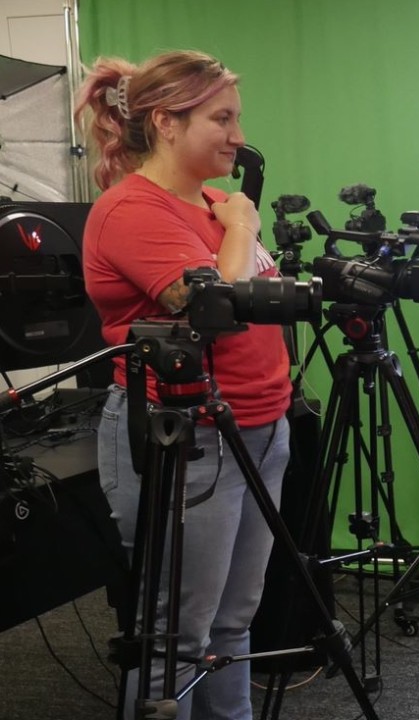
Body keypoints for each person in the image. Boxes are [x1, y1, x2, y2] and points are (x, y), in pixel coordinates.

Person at [76, 51, 291, 720]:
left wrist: (239, 227)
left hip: (260, 427)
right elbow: (214, 309)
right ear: (167, 122)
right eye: (221, 118)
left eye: (237, 118)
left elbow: (264, 296)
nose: (237, 135)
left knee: (233, 624)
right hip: (186, 440)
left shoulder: (218, 205)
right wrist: (245, 227)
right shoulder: (130, 212)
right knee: (178, 637)